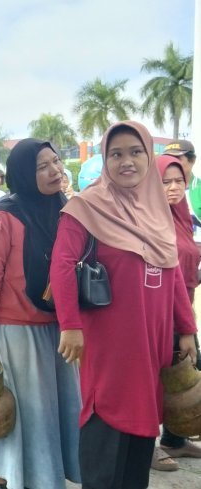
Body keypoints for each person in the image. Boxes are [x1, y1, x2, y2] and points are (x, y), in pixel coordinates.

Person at [50, 121, 197, 489]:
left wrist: (186, 329)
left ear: (149, 158)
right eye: (116, 154)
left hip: (154, 343)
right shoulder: (86, 207)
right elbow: (63, 265)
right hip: (110, 344)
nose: (126, 161)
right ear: (105, 159)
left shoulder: (158, 211)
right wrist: (70, 325)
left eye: (135, 152)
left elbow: (173, 273)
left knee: (142, 434)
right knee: (107, 428)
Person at [0, 139, 81, 489]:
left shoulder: (66, 209)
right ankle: (5, 480)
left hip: (57, 329)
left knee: (52, 415)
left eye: (56, 162)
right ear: (24, 172)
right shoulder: (3, 215)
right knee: (23, 417)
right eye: (43, 166)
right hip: (16, 333)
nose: (55, 170)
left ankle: (40, 479)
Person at [152, 154, 201, 471]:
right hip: (160, 311)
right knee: (156, 379)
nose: (173, 188)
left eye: (178, 181)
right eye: (164, 182)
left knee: (183, 374)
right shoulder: (151, 219)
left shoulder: (184, 215)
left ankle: (173, 439)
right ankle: (149, 445)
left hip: (184, 305)